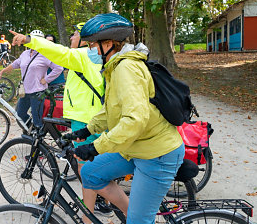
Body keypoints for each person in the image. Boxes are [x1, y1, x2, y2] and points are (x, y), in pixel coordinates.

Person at [65, 13, 185, 224]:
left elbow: (134, 121)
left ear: (109, 43)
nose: (90, 49)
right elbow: (112, 109)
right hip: (135, 148)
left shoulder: (126, 69)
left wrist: (95, 147)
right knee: (91, 173)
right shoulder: (115, 67)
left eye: (93, 45)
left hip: (156, 154)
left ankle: (137, 218)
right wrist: (87, 130)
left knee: (139, 222)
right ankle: (133, 213)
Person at [11, 24, 111, 215]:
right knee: (94, 166)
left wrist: (30, 40)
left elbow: (57, 52)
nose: (71, 38)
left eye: (74, 35)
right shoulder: (94, 57)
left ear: (85, 40)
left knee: (86, 170)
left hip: (85, 118)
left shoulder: (83, 55)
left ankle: (97, 207)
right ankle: (96, 207)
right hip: (90, 115)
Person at [0, 30, 63, 128]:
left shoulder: (45, 54)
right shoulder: (25, 54)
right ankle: (31, 131)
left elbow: (58, 68)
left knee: (37, 118)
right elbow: (16, 64)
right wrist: (2, 71)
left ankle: (38, 138)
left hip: (38, 91)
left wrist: (46, 80)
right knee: (20, 114)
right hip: (25, 91)